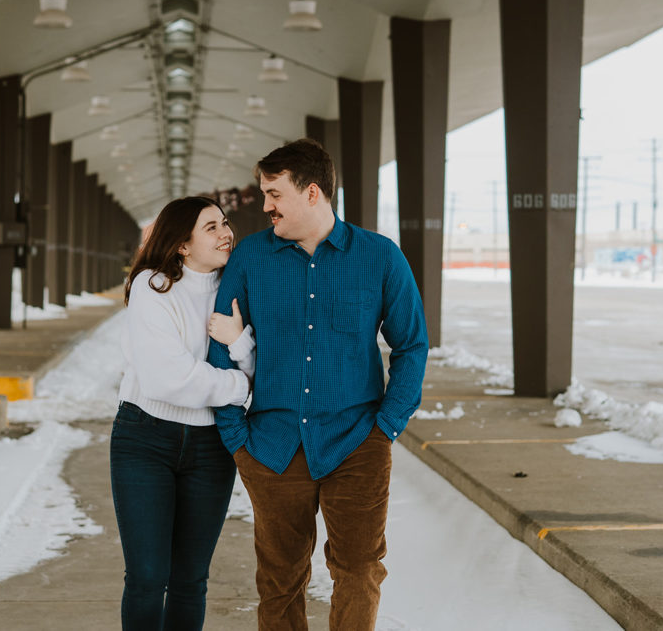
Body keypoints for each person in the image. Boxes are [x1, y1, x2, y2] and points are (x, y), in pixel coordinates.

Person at [207, 139, 429, 630]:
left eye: (274, 194)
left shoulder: (380, 257)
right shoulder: (250, 259)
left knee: (358, 571)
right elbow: (218, 347)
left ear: (312, 193)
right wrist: (235, 437)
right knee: (280, 579)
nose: (265, 206)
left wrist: (387, 425)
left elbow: (411, 345)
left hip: (357, 442)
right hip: (271, 445)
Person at [111, 195, 255, 631]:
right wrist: (239, 387)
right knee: (147, 579)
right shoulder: (152, 287)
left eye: (225, 222)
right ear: (182, 244)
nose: (226, 232)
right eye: (210, 226)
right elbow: (167, 379)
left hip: (210, 447)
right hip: (144, 440)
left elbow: (262, 362)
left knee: (191, 580)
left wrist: (240, 344)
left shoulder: (239, 288)